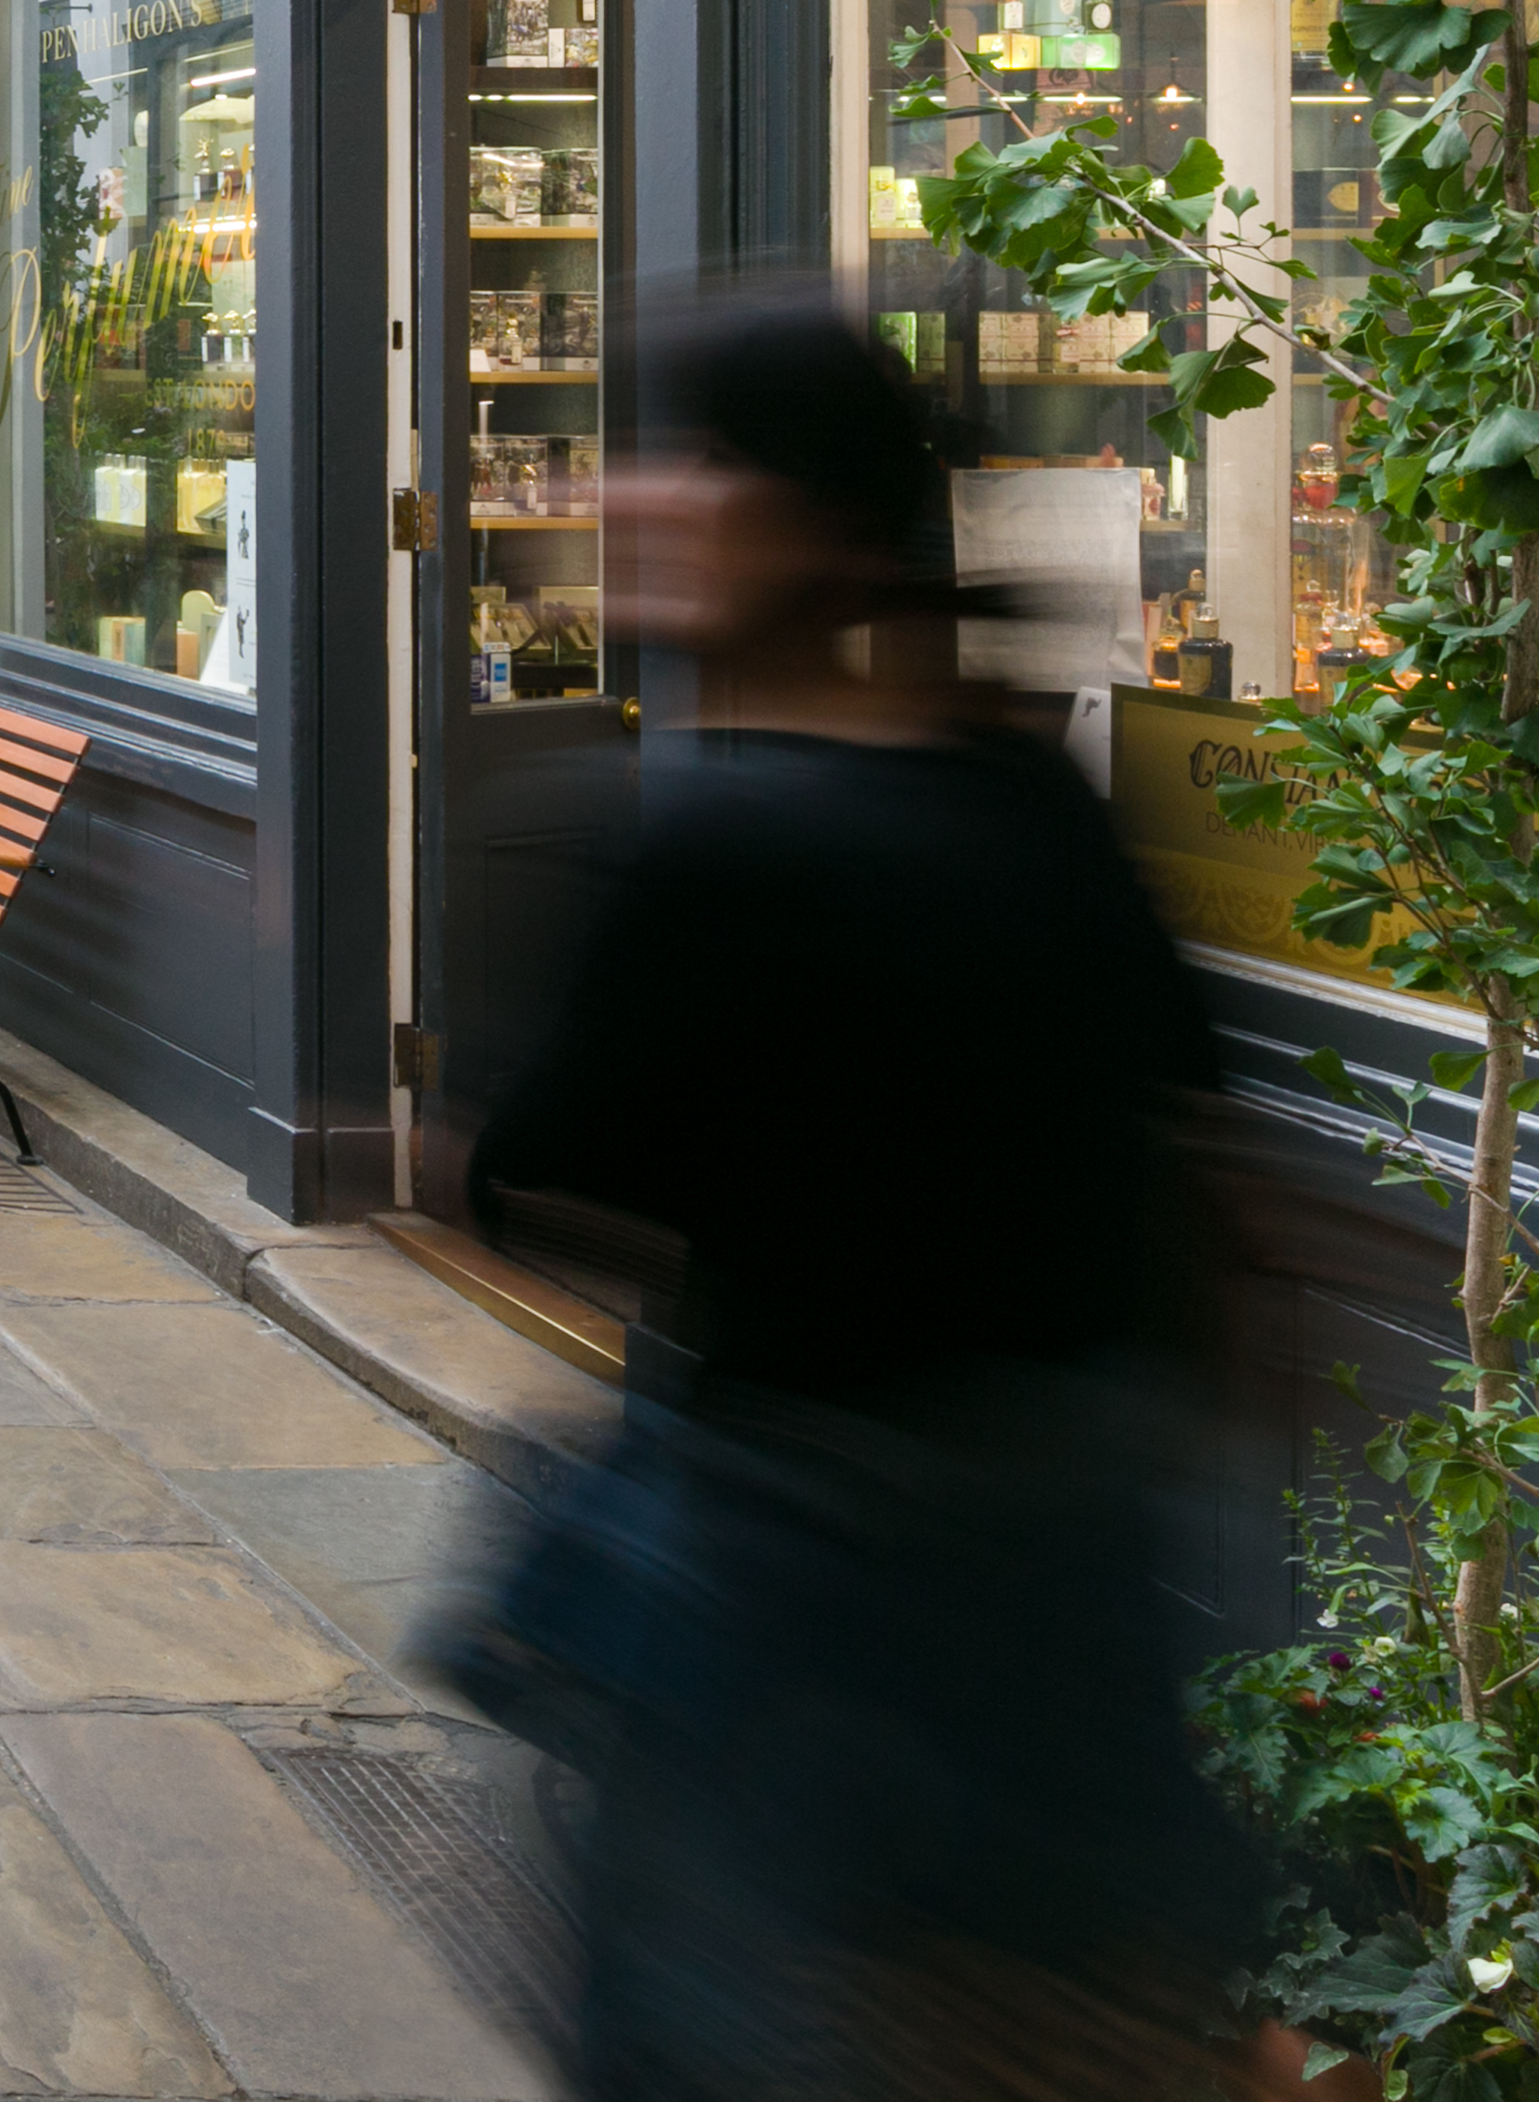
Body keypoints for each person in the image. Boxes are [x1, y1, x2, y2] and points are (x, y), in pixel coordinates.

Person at [463, 292, 1246, 2102]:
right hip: (1065, 1597)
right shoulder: (1029, 803)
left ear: (802, 516)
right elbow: (1185, 1141)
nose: (632, 494)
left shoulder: (711, 846)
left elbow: (534, 1174)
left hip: (787, 1604)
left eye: (693, 457)